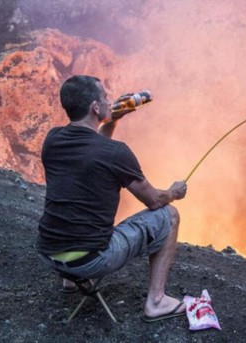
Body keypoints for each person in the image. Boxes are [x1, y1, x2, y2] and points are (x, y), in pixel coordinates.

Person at [37, 75, 187, 322]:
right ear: (95, 107)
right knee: (168, 215)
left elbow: (92, 153)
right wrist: (173, 192)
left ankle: (69, 281)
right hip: (91, 260)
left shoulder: (52, 139)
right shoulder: (116, 153)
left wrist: (113, 119)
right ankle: (157, 301)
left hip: (49, 253)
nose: (110, 100)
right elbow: (154, 201)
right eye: (105, 97)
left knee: (74, 200)